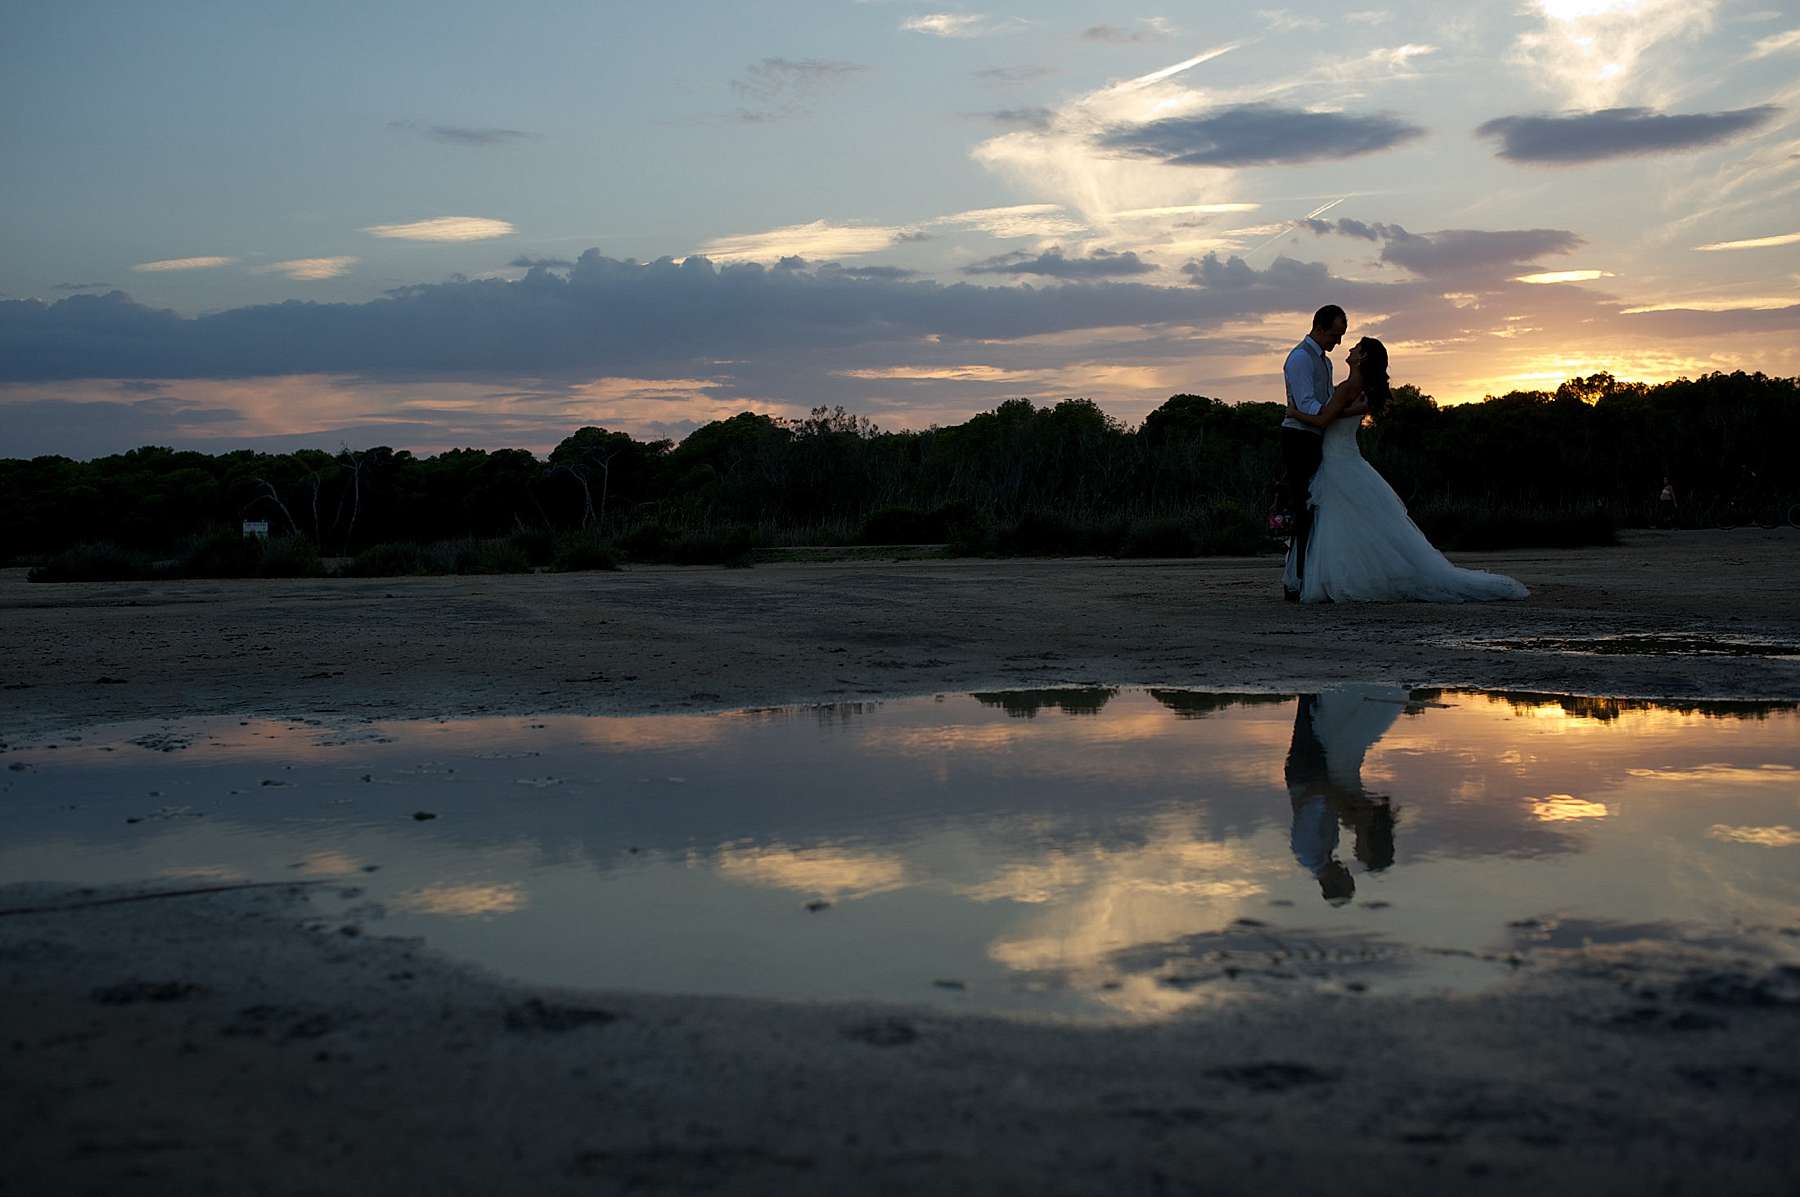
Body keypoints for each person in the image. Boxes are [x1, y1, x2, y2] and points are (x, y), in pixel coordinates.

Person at [1283, 336, 1529, 603]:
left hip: (1336, 460)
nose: (1350, 348)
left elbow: (1322, 419)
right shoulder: (1364, 390)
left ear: (1362, 357)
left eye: (1356, 347)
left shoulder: (1346, 388)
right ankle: (1349, 574)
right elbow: (1338, 415)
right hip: (1347, 457)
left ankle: (1336, 578)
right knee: (1356, 522)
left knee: (1337, 521)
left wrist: (1294, 414)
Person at [1279, 305, 1350, 601]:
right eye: (1335, 335)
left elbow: (1325, 401)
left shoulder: (1325, 361)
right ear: (1319, 328)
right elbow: (1307, 403)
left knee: (1316, 507)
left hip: (1316, 436)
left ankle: (1310, 575)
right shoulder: (1299, 359)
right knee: (1303, 507)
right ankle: (1297, 579)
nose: (1339, 343)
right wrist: (1329, 414)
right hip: (1299, 437)